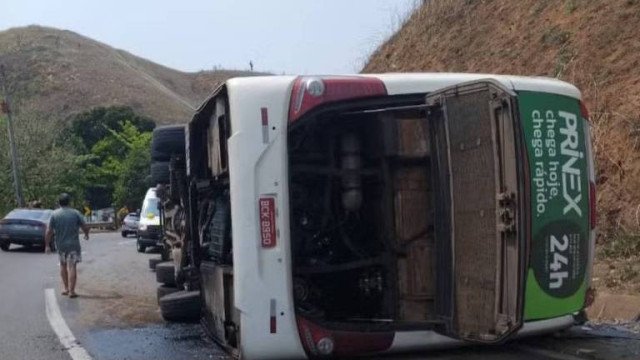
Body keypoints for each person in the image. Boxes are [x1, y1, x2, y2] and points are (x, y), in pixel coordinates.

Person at [45, 193, 90, 298]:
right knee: (72, 266)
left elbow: (49, 231)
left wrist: (47, 245)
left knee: (63, 265)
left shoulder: (54, 214)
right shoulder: (76, 213)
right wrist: (86, 234)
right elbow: (85, 226)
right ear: (69, 202)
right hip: (73, 245)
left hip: (61, 245)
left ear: (59, 202)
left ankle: (65, 288)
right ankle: (72, 291)